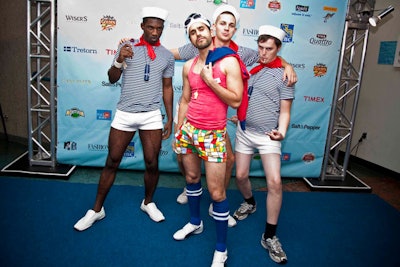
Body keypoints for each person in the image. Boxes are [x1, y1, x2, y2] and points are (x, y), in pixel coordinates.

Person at [171, 5, 297, 219]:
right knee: (185, 160)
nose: (226, 29)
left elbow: (267, 54)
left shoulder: (240, 54)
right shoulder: (199, 42)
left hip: (216, 116)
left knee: (228, 159)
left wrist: (287, 65)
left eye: (231, 25)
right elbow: (170, 54)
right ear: (213, 27)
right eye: (222, 23)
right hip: (192, 111)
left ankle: (216, 198)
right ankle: (190, 186)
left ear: (235, 29)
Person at [73, 6, 175, 231]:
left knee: (152, 162)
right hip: (125, 114)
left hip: (151, 115)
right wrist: (119, 59)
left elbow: (167, 88)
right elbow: (111, 78)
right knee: (112, 161)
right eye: (150, 27)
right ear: (142, 27)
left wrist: (170, 118)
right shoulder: (127, 47)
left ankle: (148, 202)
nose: (155, 32)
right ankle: (97, 210)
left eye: (159, 28)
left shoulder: (167, 56)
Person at [172, 13, 246, 266]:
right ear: (190, 38)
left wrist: (209, 80)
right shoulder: (188, 65)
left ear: (210, 31)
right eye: (193, 32)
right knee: (191, 178)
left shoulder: (228, 62)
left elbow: (235, 100)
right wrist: (178, 130)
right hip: (189, 131)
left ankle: (221, 249)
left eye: (202, 29)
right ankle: (195, 223)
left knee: (217, 193)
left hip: (214, 134)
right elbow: (184, 100)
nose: (198, 34)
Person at [232, 25, 295, 264]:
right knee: (239, 176)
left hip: (269, 136)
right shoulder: (250, 63)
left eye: (269, 49)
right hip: (245, 131)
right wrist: (241, 115)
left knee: (275, 182)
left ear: (278, 49)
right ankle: (250, 203)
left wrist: (282, 131)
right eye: (260, 47)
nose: (263, 53)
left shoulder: (285, 75)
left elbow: (286, 111)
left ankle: (270, 236)